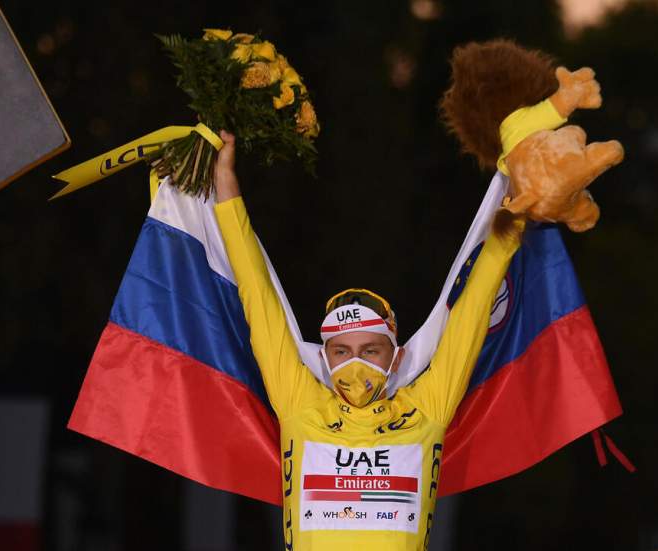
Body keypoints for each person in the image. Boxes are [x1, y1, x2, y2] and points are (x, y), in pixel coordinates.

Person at [212, 129, 525, 550]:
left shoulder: (427, 408)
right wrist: (224, 179)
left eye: (369, 350)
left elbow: (471, 314)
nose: (354, 364)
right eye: (341, 351)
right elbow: (255, 290)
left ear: (395, 359)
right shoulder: (300, 403)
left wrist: (513, 223)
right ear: (323, 357)